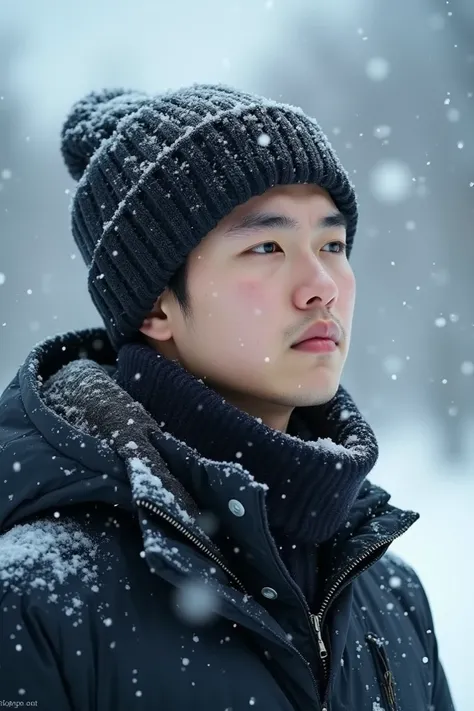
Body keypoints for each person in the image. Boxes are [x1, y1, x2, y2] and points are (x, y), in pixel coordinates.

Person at [0, 84, 455, 711]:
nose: (321, 286)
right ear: (156, 304)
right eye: (266, 247)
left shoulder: (390, 590)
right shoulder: (38, 599)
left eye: (332, 245)